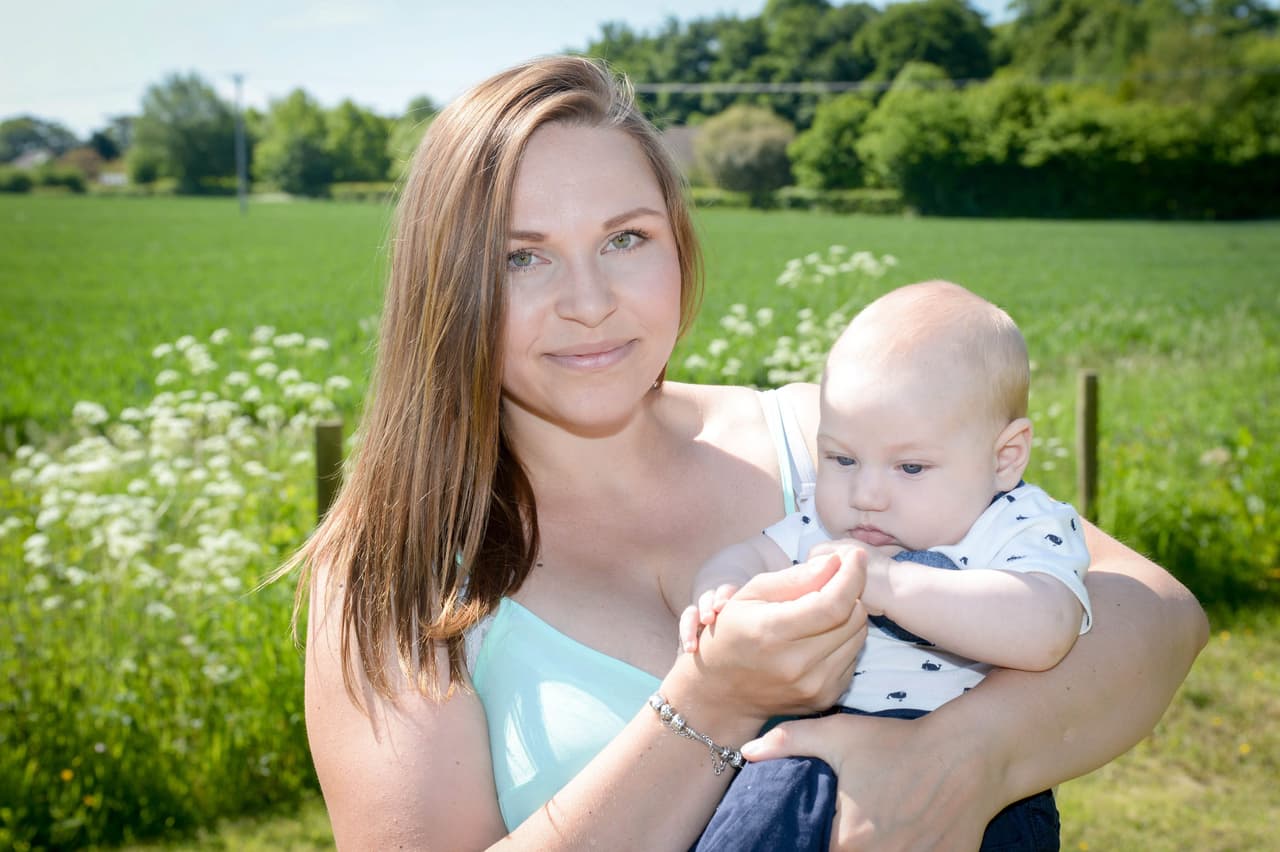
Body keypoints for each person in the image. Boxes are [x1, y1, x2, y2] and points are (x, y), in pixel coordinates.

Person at [291, 55, 1207, 850]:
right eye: (520, 257)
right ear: (444, 289)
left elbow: (1156, 615)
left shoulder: (832, 443)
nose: (590, 300)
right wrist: (710, 705)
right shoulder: (392, 571)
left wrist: (960, 760)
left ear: (680, 245)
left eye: (625, 239)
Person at [681, 281, 1091, 850]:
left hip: (965, 775)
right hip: (803, 755)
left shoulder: (1018, 524)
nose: (867, 494)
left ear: (1005, 458)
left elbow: (1045, 630)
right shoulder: (826, 525)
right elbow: (748, 555)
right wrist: (718, 591)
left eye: (911, 468)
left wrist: (893, 583)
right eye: (843, 458)